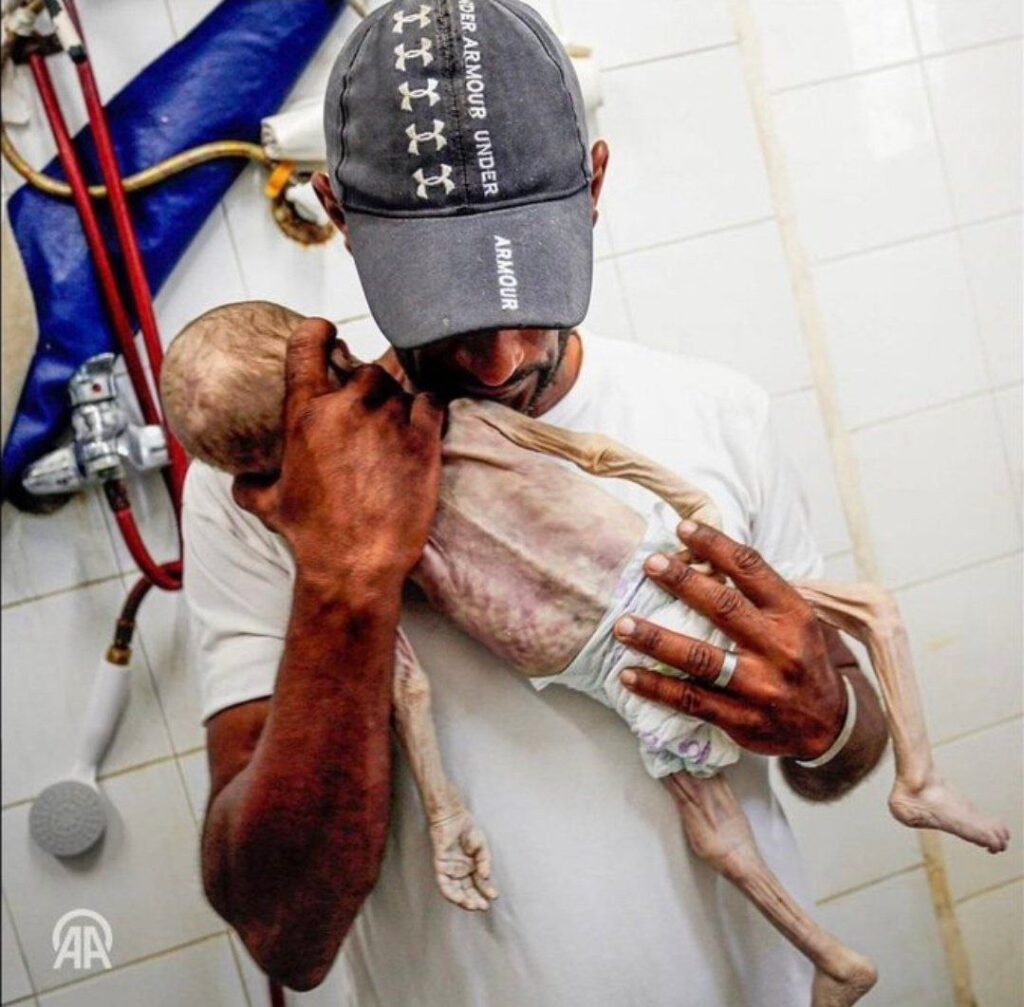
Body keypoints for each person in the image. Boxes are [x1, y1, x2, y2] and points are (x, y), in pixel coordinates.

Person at [188, 1, 888, 1003]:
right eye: (446, 300)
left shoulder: (718, 412)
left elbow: (841, 751)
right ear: (338, 215)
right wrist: (345, 576)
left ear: (593, 186)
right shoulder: (264, 497)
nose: (500, 360)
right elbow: (283, 934)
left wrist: (827, 718)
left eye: (526, 288)